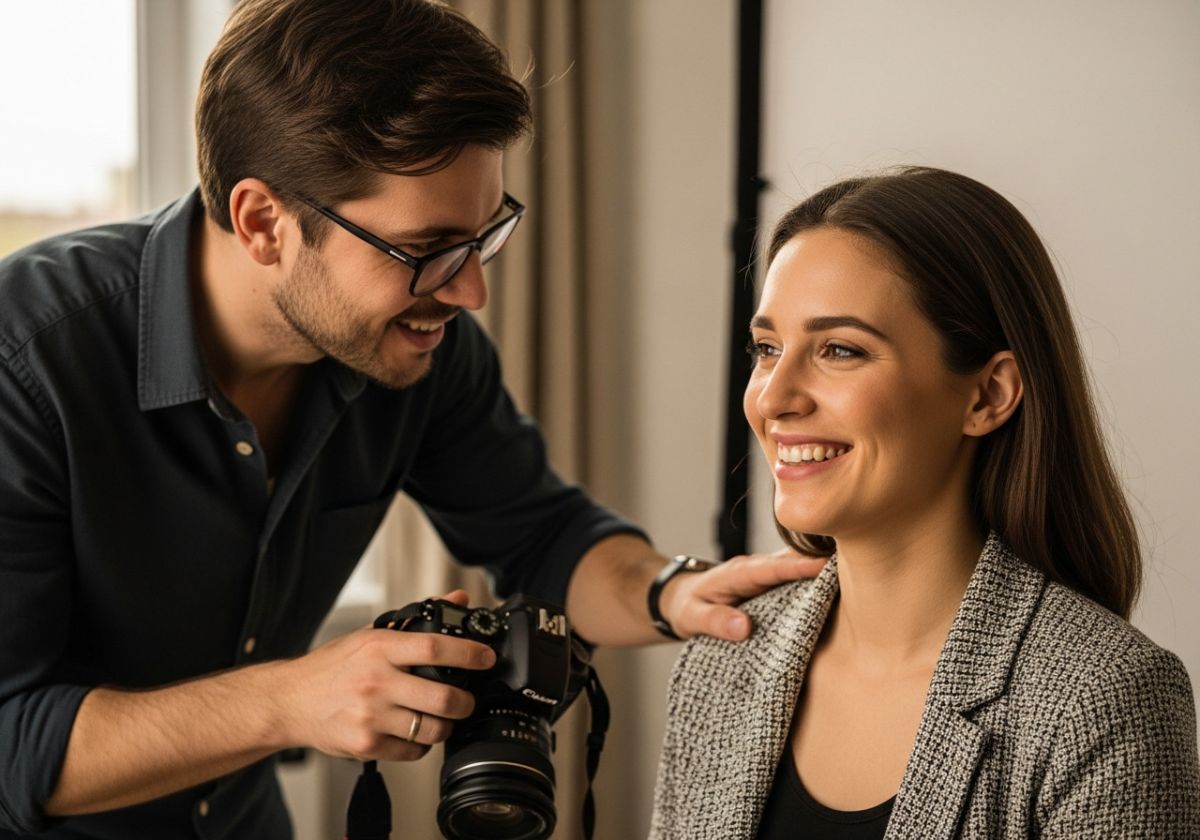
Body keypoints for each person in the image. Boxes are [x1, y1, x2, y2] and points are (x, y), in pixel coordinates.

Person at [0, 2, 819, 838]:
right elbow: (8, 746)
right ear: (262, 223)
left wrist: (672, 591)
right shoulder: (23, 363)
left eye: (483, 237)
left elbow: (542, 538)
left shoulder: (418, 349)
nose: (469, 292)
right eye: (425, 250)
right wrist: (289, 701)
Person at [650, 167, 1200, 838]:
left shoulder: (1103, 696)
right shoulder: (718, 667)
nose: (772, 398)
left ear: (988, 395)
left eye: (840, 350)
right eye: (767, 349)